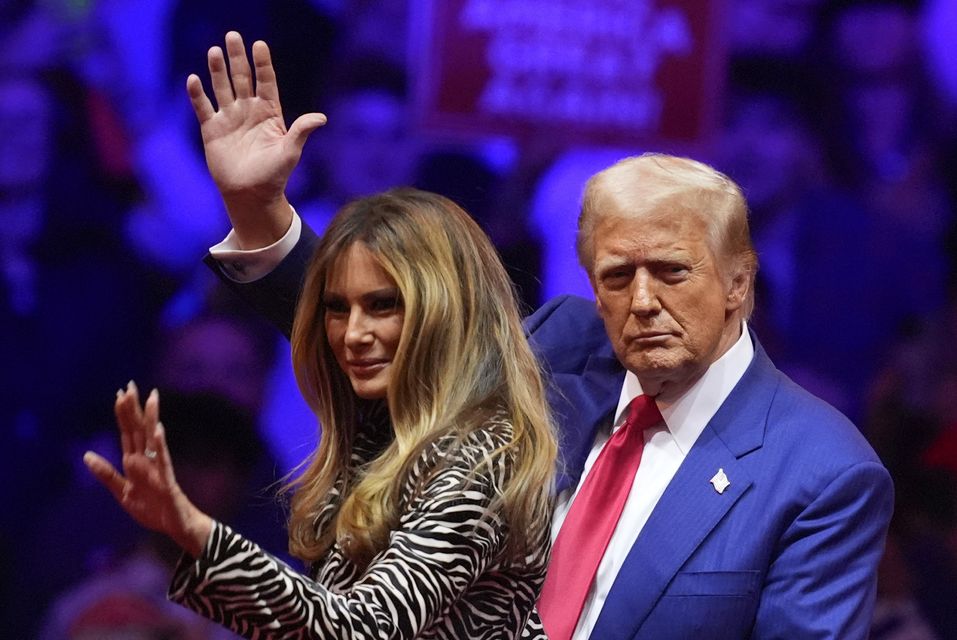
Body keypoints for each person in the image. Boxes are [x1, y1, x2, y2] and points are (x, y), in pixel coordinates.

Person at [162, 32, 893, 638]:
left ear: (739, 280)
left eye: (670, 272)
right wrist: (260, 213)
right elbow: (383, 333)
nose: (640, 301)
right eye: (614, 276)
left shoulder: (821, 472)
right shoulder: (559, 353)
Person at [84, 34, 557, 639]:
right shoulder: (393, 418)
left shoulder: (477, 453)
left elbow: (359, 628)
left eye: (382, 307)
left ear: (439, 313)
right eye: (338, 309)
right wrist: (253, 205)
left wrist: (194, 533)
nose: (352, 334)